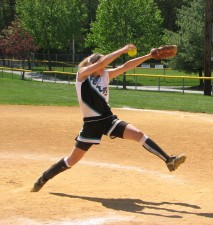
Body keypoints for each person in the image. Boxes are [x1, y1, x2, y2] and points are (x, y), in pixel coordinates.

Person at [31, 44, 186, 192]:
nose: (104, 67)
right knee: (71, 161)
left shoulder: (105, 76)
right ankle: (44, 178)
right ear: (93, 64)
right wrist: (123, 50)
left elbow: (126, 66)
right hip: (90, 125)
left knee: (138, 134)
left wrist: (148, 56)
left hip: (108, 120)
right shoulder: (82, 75)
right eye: (100, 64)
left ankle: (168, 160)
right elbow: (103, 62)